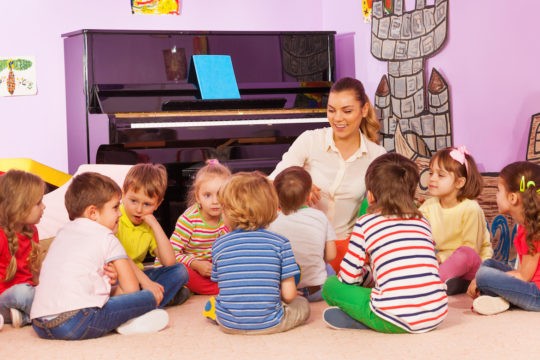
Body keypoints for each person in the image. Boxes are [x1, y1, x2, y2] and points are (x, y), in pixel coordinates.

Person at [31, 172, 168, 340]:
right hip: (75, 323)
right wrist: (119, 289)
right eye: (115, 207)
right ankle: (128, 323)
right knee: (148, 296)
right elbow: (131, 290)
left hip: (39, 324)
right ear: (93, 213)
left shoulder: (62, 233)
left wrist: (109, 286)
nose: (119, 214)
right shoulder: (106, 236)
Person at [321, 153, 448, 333]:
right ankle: (370, 309)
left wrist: (357, 279)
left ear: (370, 196)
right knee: (370, 274)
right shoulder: (422, 221)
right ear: (411, 193)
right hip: (436, 313)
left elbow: (348, 278)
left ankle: (362, 320)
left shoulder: (365, 223)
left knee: (331, 286)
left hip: (395, 317)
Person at [268, 77, 386, 270]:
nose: (337, 118)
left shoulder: (376, 156)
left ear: (364, 110)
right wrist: (299, 184)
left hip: (343, 249)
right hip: (299, 244)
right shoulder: (310, 140)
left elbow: (381, 209)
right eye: (331, 110)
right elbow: (271, 183)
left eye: (347, 111)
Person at [206, 171, 310, 334]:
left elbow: (222, 285)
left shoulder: (219, 244)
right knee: (302, 304)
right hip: (270, 323)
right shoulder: (280, 243)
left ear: (228, 211)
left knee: (220, 301)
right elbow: (289, 296)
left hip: (228, 324)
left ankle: (217, 312)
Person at [467, 161, 540, 315]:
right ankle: (502, 299)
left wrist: (480, 281)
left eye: (498, 190)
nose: (496, 195)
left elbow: (523, 276)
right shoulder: (525, 226)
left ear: (512, 198)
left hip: (536, 294)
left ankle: (501, 297)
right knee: (488, 263)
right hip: (530, 283)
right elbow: (521, 272)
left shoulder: (533, 230)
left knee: (483, 275)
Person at [419, 146, 492, 295]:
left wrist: (442, 257)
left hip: (473, 266)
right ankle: (446, 283)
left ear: (459, 182)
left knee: (465, 254)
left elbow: (471, 250)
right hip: (443, 264)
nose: (432, 178)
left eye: (440, 175)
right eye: (431, 172)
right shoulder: (428, 206)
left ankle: (429, 286)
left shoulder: (471, 208)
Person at [116, 163, 189, 306]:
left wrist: (155, 225)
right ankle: (150, 301)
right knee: (125, 286)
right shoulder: (115, 217)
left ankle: (141, 302)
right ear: (123, 194)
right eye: (133, 201)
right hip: (118, 277)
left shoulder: (149, 225)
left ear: (157, 204)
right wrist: (147, 283)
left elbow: (169, 262)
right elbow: (121, 259)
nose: (138, 209)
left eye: (147, 204)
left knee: (180, 271)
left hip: (141, 277)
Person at [268, 166, 337, 302]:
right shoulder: (320, 216)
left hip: (286, 290)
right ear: (309, 195)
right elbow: (331, 255)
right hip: (318, 290)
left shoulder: (271, 220)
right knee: (330, 271)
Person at [166, 159, 230, 295]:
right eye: (207, 195)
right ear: (198, 197)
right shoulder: (189, 219)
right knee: (181, 272)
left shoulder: (228, 217)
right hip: (189, 264)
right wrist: (196, 264)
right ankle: (214, 289)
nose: (215, 201)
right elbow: (172, 254)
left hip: (209, 265)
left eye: (220, 194)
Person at [0, 170, 45, 328]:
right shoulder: (1, 236)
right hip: (5, 299)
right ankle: (45, 314)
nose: (43, 207)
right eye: (38, 203)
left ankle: (24, 317)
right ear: (19, 206)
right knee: (22, 293)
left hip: (28, 295)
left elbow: (35, 276)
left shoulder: (32, 231)